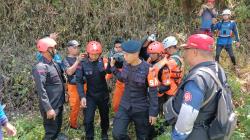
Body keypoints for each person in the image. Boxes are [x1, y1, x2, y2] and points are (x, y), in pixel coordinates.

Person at [163, 34, 228, 140]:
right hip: (209, 128)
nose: (184, 54)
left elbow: (188, 114)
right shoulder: (218, 69)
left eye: (186, 49)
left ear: (195, 51)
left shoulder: (198, 78)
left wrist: (177, 136)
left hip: (194, 133)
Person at [111, 40, 158, 140]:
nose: (124, 57)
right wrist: (113, 68)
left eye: (126, 54)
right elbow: (122, 78)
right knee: (117, 133)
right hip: (125, 106)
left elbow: (153, 92)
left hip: (141, 108)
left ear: (136, 54)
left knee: (143, 136)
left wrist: (153, 112)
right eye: (123, 54)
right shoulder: (125, 65)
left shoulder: (149, 69)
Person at [32, 37, 66, 140]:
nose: (55, 50)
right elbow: (41, 90)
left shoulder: (53, 63)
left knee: (57, 130)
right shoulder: (40, 67)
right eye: (53, 48)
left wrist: (65, 94)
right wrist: (48, 109)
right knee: (50, 133)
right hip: (51, 106)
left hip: (58, 103)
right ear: (47, 49)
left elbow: (60, 81)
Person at [76, 41, 110, 140]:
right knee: (88, 120)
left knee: (105, 117)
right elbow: (78, 80)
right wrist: (82, 96)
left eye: (97, 54)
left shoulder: (103, 61)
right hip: (90, 96)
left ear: (100, 53)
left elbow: (109, 71)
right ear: (88, 53)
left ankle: (104, 133)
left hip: (103, 95)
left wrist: (110, 65)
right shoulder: (82, 64)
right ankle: (89, 136)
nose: (94, 56)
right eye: (92, 54)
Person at [62, 40, 82, 129]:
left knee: (85, 104)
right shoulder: (65, 60)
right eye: (75, 47)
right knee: (74, 106)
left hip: (84, 84)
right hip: (73, 86)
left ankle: (85, 122)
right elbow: (69, 72)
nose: (77, 49)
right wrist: (77, 61)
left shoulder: (81, 57)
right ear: (69, 49)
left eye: (78, 47)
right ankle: (73, 125)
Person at [108, 37, 125, 112]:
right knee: (116, 104)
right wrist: (111, 62)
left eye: (120, 47)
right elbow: (108, 71)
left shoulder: (130, 54)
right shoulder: (113, 55)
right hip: (119, 83)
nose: (118, 49)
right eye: (116, 47)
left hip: (130, 84)